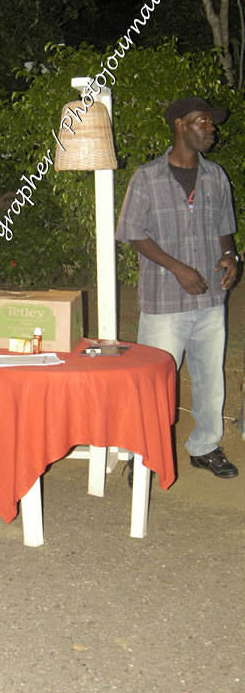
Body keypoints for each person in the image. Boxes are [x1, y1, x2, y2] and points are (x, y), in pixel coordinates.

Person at [116, 96, 240, 479]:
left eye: (211, 122)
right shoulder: (148, 177)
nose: (212, 128)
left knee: (209, 374)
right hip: (165, 300)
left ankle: (204, 445)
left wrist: (231, 257)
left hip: (210, 296)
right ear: (179, 126)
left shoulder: (215, 175)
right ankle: (143, 452)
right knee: (154, 379)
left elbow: (226, 229)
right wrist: (177, 269)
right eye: (203, 121)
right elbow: (132, 233)